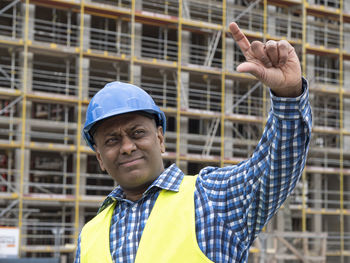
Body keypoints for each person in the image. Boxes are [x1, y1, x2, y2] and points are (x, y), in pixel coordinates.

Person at [74, 22, 312, 263]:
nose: (127, 147)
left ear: (160, 138)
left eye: (137, 133)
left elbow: (273, 166)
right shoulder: (89, 236)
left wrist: (288, 95)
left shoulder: (212, 198)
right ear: (100, 158)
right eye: (112, 140)